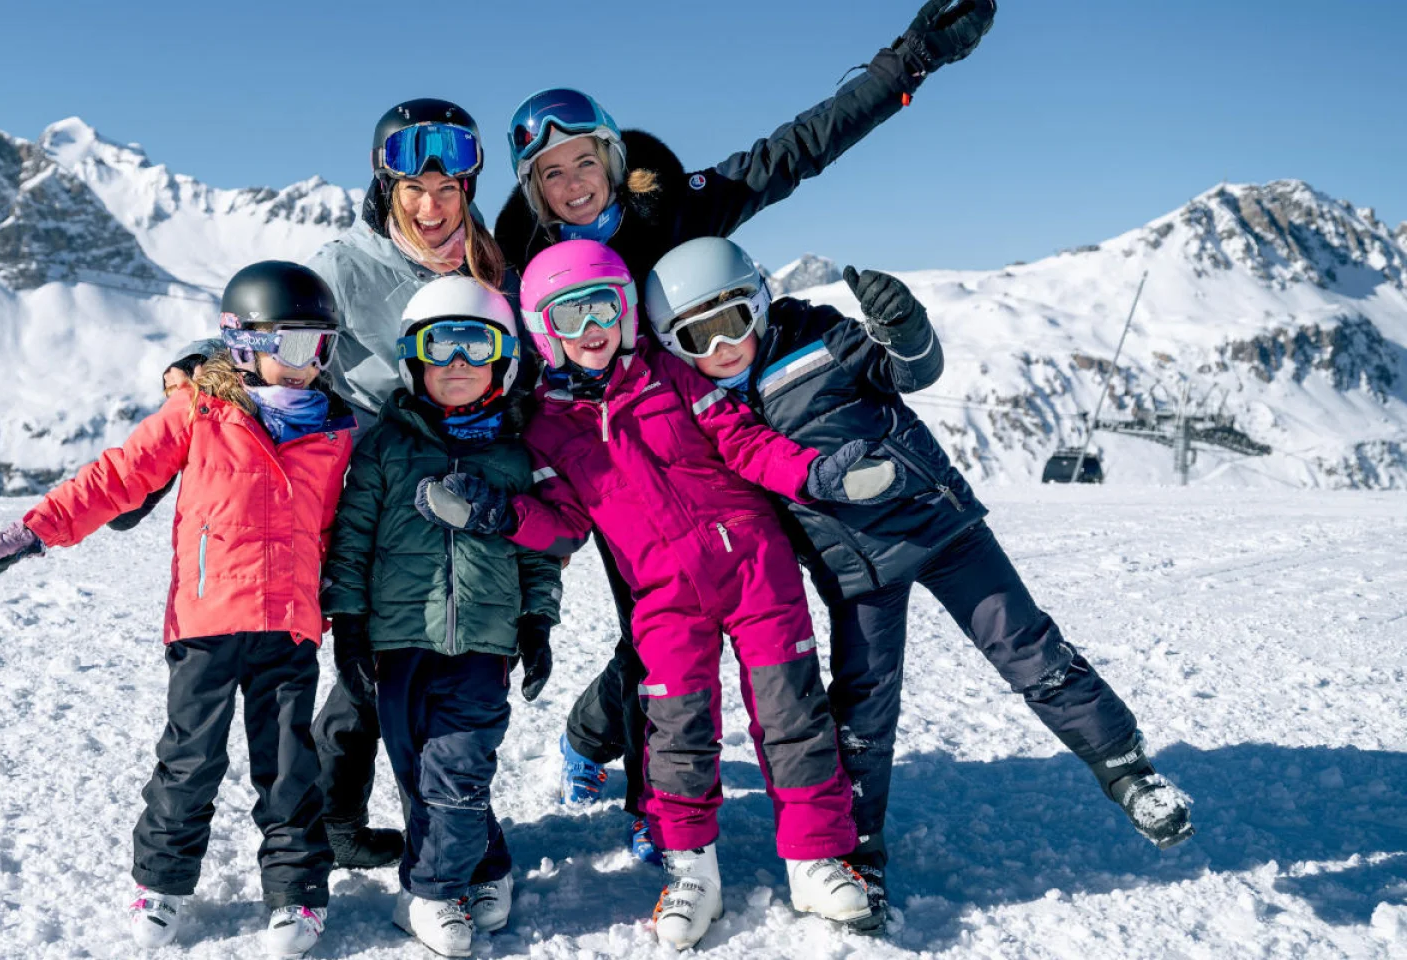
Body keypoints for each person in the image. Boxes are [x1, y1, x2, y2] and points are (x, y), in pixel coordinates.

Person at [495, 0, 1000, 861]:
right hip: (624, 467)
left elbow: (797, 149)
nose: (573, 181)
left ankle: (819, 794)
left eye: (585, 160)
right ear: (534, 193)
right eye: (551, 173)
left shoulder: (680, 212)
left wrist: (908, 63)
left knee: (777, 611)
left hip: (729, 441)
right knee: (652, 631)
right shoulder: (523, 275)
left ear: (613, 159)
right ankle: (644, 798)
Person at [643, 235, 1199, 927]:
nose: (725, 345)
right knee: (863, 713)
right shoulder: (700, 408)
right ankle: (858, 857)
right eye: (699, 334)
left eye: (736, 319)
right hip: (856, 569)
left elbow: (908, 370)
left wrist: (904, 332)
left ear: (760, 302)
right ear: (672, 342)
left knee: (1028, 645)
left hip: (939, 525)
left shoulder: (816, 333)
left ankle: (1127, 770)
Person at [415, 240, 899, 946]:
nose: (591, 329)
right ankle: (692, 869)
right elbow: (566, 527)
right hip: (663, 592)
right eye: (571, 316)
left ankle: (816, 859)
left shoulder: (671, 374)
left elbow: (746, 443)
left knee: (792, 711)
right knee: (675, 729)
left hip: (754, 563)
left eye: (604, 308)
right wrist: (500, 514)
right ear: (545, 330)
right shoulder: (548, 426)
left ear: (627, 312)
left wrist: (814, 475)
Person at [128, 98, 521, 871]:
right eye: (415, 190)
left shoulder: (489, 265)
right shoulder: (348, 262)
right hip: (359, 484)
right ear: (386, 188)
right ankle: (342, 818)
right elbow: (285, 319)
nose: (433, 207)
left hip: (456, 489)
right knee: (365, 661)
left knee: (422, 659)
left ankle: (404, 816)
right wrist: (203, 359)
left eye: (449, 190)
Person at [0, 262, 356, 957]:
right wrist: (36, 529)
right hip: (207, 621)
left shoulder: (335, 432)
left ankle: (296, 892)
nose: (305, 365)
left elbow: (333, 530)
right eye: (290, 345)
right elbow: (120, 475)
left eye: (319, 347)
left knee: (292, 764)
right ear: (240, 343)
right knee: (190, 758)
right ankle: (163, 883)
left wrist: (338, 603)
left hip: (290, 626)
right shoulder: (202, 412)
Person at [322, 276, 561, 957]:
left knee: (458, 771)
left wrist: (537, 623)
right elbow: (351, 540)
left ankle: (428, 894)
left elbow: (539, 551)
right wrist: (349, 625)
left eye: (474, 347)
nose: (457, 365)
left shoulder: (514, 459)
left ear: (503, 359)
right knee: (418, 776)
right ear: (412, 359)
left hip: (484, 645)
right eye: (440, 348)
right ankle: (488, 864)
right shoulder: (386, 450)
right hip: (397, 645)